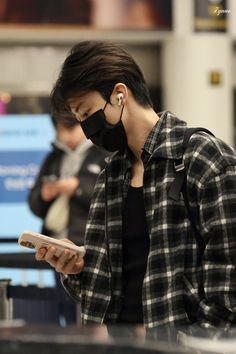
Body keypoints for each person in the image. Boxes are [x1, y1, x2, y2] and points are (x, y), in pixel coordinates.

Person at [35, 40, 236, 331]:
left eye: (86, 112)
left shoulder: (201, 157)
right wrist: (76, 269)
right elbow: (102, 292)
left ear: (119, 94)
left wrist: (201, 342)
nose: (87, 128)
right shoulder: (112, 175)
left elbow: (228, 275)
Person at [29, 114, 107, 324]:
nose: (65, 135)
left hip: (87, 247)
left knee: (90, 309)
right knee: (63, 307)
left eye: (70, 129)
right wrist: (43, 196)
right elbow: (34, 203)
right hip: (54, 247)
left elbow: (111, 198)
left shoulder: (103, 153)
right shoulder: (53, 158)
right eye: (61, 130)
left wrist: (78, 188)